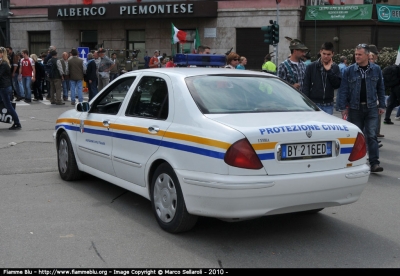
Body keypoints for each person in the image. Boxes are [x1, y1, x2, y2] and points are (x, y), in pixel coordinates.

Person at [338, 43, 386, 173]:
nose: (357, 56)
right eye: (356, 54)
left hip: (371, 108)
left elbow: (381, 88)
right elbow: (344, 90)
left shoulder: (376, 69)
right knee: (355, 136)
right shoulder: (349, 70)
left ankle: (374, 163)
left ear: (367, 55)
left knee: (371, 136)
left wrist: (382, 105)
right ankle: (355, 163)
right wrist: (343, 107)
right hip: (354, 108)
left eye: (360, 54)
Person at [302, 42, 341, 115]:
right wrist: (306, 104)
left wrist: (329, 71)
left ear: (332, 54)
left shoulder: (335, 67)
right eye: (324, 54)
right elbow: (306, 86)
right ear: (320, 52)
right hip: (314, 104)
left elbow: (337, 85)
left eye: (328, 54)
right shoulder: (311, 67)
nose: (326, 56)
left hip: (328, 104)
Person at [0, 47, 21, 130]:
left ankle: (17, 123)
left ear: (2, 54)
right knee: (6, 105)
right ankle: (17, 122)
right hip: (4, 87)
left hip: (4, 87)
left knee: (8, 106)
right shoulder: (4, 63)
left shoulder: (4, 64)